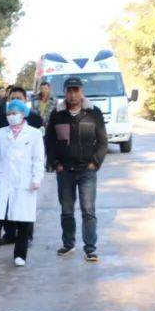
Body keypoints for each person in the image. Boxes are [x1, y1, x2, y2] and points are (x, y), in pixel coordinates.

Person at [46, 76, 107, 262]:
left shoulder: (93, 113)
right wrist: (56, 164)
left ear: (82, 92)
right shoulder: (57, 114)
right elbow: (49, 142)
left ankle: (90, 248)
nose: (73, 95)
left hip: (87, 171)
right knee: (66, 210)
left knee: (88, 210)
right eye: (69, 91)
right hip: (65, 171)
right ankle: (68, 244)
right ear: (64, 93)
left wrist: (95, 163)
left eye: (76, 90)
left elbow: (103, 141)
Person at [0, 99, 45, 266]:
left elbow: (38, 159)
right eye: (9, 113)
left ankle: (20, 254)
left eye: (15, 113)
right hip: (4, 180)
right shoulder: (1, 133)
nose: (11, 116)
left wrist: (36, 178)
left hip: (24, 182)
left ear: (23, 114)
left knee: (23, 219)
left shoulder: (34, 134)